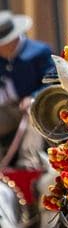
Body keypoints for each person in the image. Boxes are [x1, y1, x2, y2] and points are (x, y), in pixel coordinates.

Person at [0, 9, 55, 167]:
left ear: (13, 40)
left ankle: (28, 164)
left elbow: (51, 81)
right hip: (7, 109)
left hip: (36, 108)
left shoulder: (39, 52)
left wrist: (34, 97)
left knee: (34, 115)